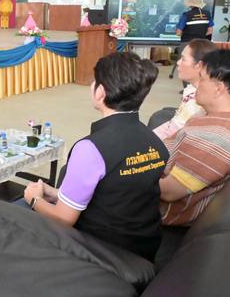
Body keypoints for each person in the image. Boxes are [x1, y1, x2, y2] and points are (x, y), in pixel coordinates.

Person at [23, 52, 169, 261]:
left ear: (100, 92)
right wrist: (56, 194)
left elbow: (64, 219)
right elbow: (118, 192)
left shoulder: (91, 149)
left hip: (102, 249)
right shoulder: (155, 141)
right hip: (144, 246)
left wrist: (34, 199)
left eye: (95, 81)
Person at [159, 50, 230, 226]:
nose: (196, 84)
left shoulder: (220, 135)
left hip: (156, 211)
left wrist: (127, 174)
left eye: (202, 78)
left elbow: (169, 191)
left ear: (218, 88)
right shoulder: (219, 116)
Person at [153, 39, 218, 140]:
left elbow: (171, 137)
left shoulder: (196, 103)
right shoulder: (196, 89)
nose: (178, 62)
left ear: (199, 66)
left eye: (183, 59)